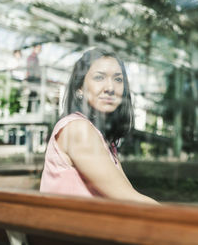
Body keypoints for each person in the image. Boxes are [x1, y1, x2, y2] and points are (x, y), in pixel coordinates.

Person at [40, 48, 158, 205]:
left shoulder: (101, 137)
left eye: (118, 79)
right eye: (99, 77)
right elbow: (129, 199)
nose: (110, 87)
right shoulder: (78, 129)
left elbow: (127, 195)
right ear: (79, 88)